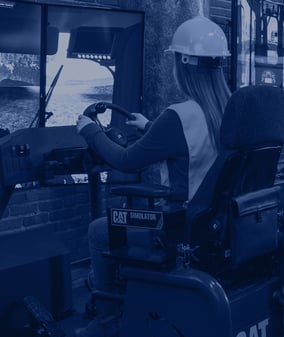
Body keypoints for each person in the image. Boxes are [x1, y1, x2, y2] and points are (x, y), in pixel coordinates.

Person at [73, 15, 231, 337]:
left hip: (175, 228)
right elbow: (192, 146)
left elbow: (126, 160)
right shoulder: (226, 109)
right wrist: (150, 128)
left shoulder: (178, 116)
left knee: (99, 230)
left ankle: (106, 321)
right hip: (215, 225)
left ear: (183, 65)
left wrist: (90, 131)